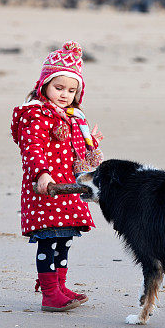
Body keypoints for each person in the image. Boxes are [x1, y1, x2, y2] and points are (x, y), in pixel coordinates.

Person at [10, 41, 103, 312]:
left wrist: (90, 145)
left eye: (71, 90)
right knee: (48, 240)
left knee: (64, 239)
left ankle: (61, 286)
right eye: (58, 88)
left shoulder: (74, 118)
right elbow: (32, 148)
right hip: (46, 189)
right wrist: (42, 174)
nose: (64, 94)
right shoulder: (36, 114)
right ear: (44, 85)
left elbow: (78, 151)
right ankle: (49, 293)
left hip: (67, 188)